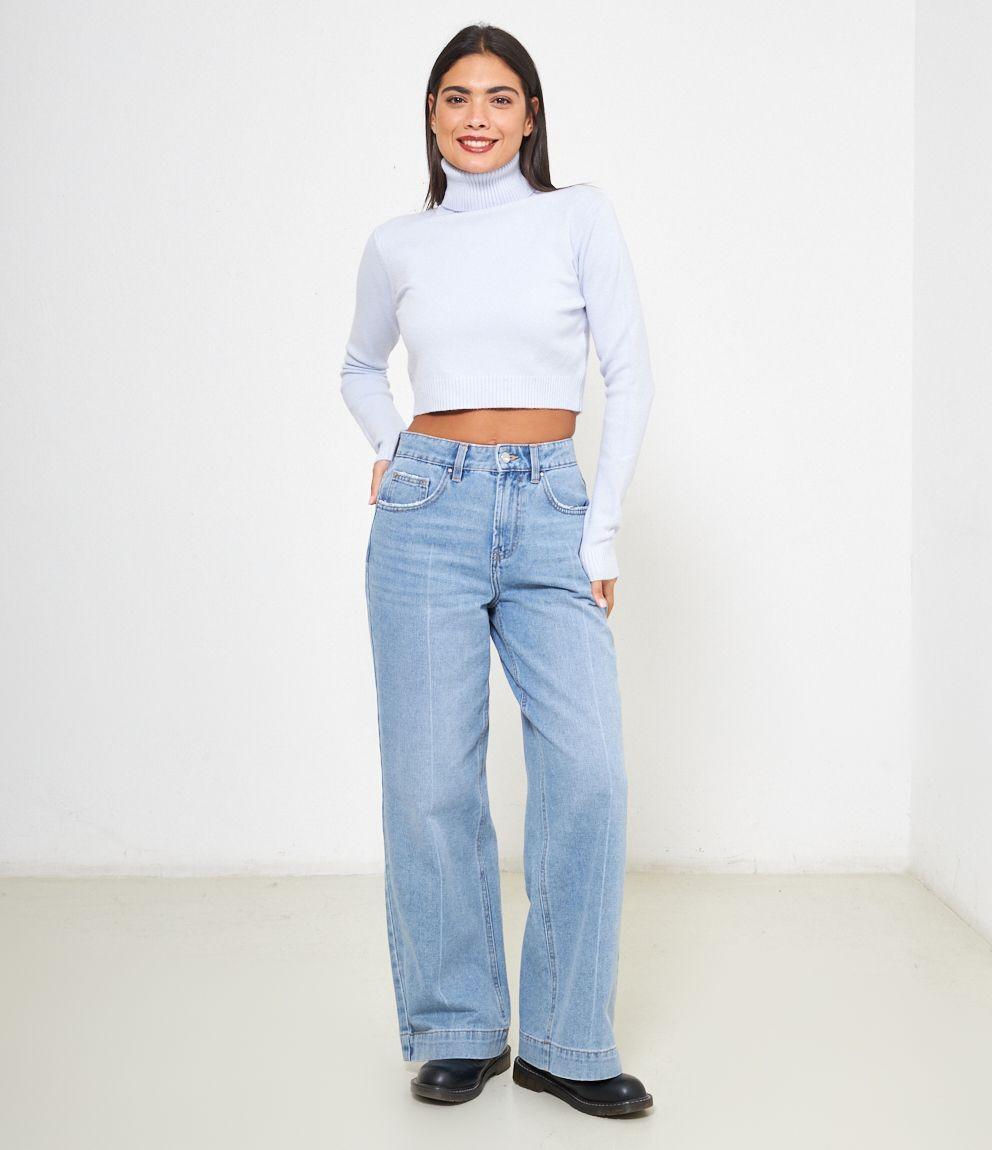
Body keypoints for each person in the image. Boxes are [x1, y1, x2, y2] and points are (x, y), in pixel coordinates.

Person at [340, 24, 655, 1118]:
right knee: (431, 779)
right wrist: (395, 448)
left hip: (551, 506)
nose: (477, 116)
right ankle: (458, 1026)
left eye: (500, 97)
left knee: (590, 770)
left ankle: (565, 1040)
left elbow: (628, 373)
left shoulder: (577, 217)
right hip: (426, 509)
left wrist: (598, 532)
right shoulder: (398, 244)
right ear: (431, 115)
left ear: (529, 116)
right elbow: (357, 365)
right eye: (456, 97)